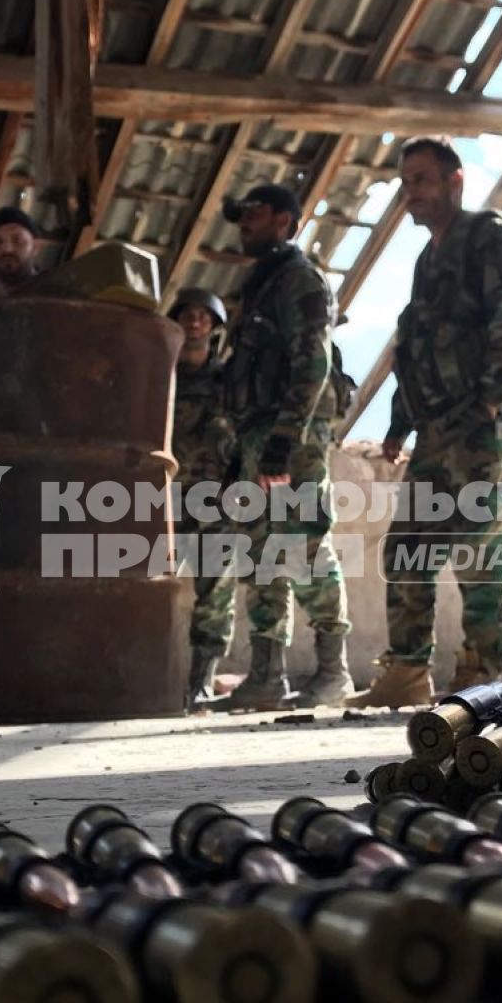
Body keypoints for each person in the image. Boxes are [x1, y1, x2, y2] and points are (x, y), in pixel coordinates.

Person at [349, 138, 502, 709]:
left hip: (479, 424)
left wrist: (490, 402)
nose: (412, 194)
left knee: (479, 550)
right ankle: (406, 671)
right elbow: (418, 348)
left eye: (423, 181)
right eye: (406, 183)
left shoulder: (492, 238)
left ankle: (483, 675)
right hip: (435, 429)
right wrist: (399, 425)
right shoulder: (427, 262)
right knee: (407, 547)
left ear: (456, 181)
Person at [215, 184, 353, 710]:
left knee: (304, 546)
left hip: (289, 438)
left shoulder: (300, 279)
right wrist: (242, 450)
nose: (244, 223)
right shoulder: (260, 285)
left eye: (253, 213)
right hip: (258, 436)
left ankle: (332, 672)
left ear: (286, 221)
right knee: (260, 554)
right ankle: (266, 677)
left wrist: (284, 441)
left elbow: (313, 362)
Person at [168, 287, 238, 709]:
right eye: (186, 315)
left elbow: (245, 437)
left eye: (202, 316)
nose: (194, 322)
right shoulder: (159, 379)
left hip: (216, 499)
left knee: (215, 593)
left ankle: (202, 681)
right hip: (166, 502)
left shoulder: (229, 382)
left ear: (213, 326)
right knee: (146, 588)